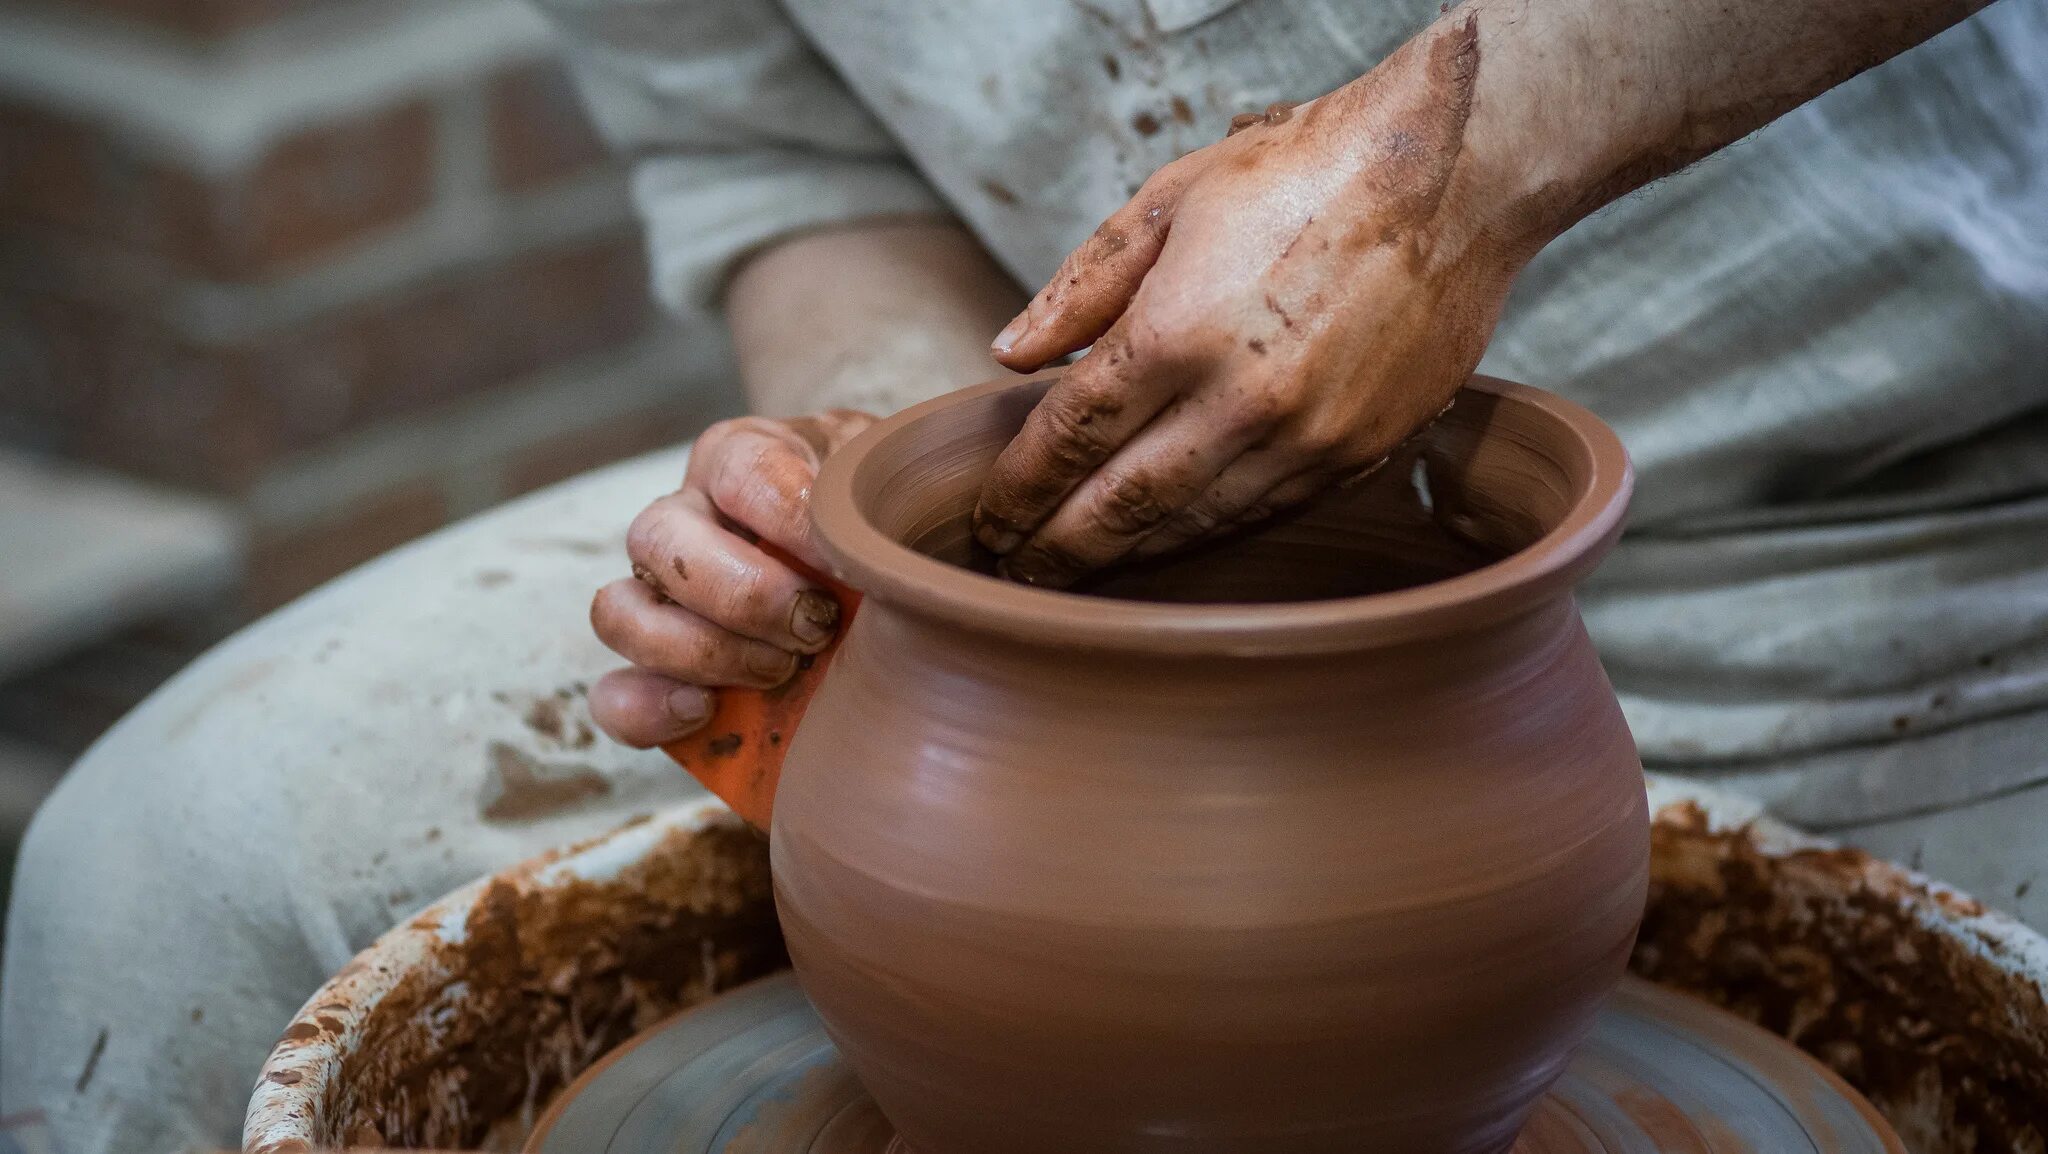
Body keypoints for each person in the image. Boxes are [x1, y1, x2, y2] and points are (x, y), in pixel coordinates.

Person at [3, 0, 2042, 1151]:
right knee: (168, 863)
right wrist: (855, 484)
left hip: (1910, 543)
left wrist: (1477, 145)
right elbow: (793, 166)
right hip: (1092, 553)